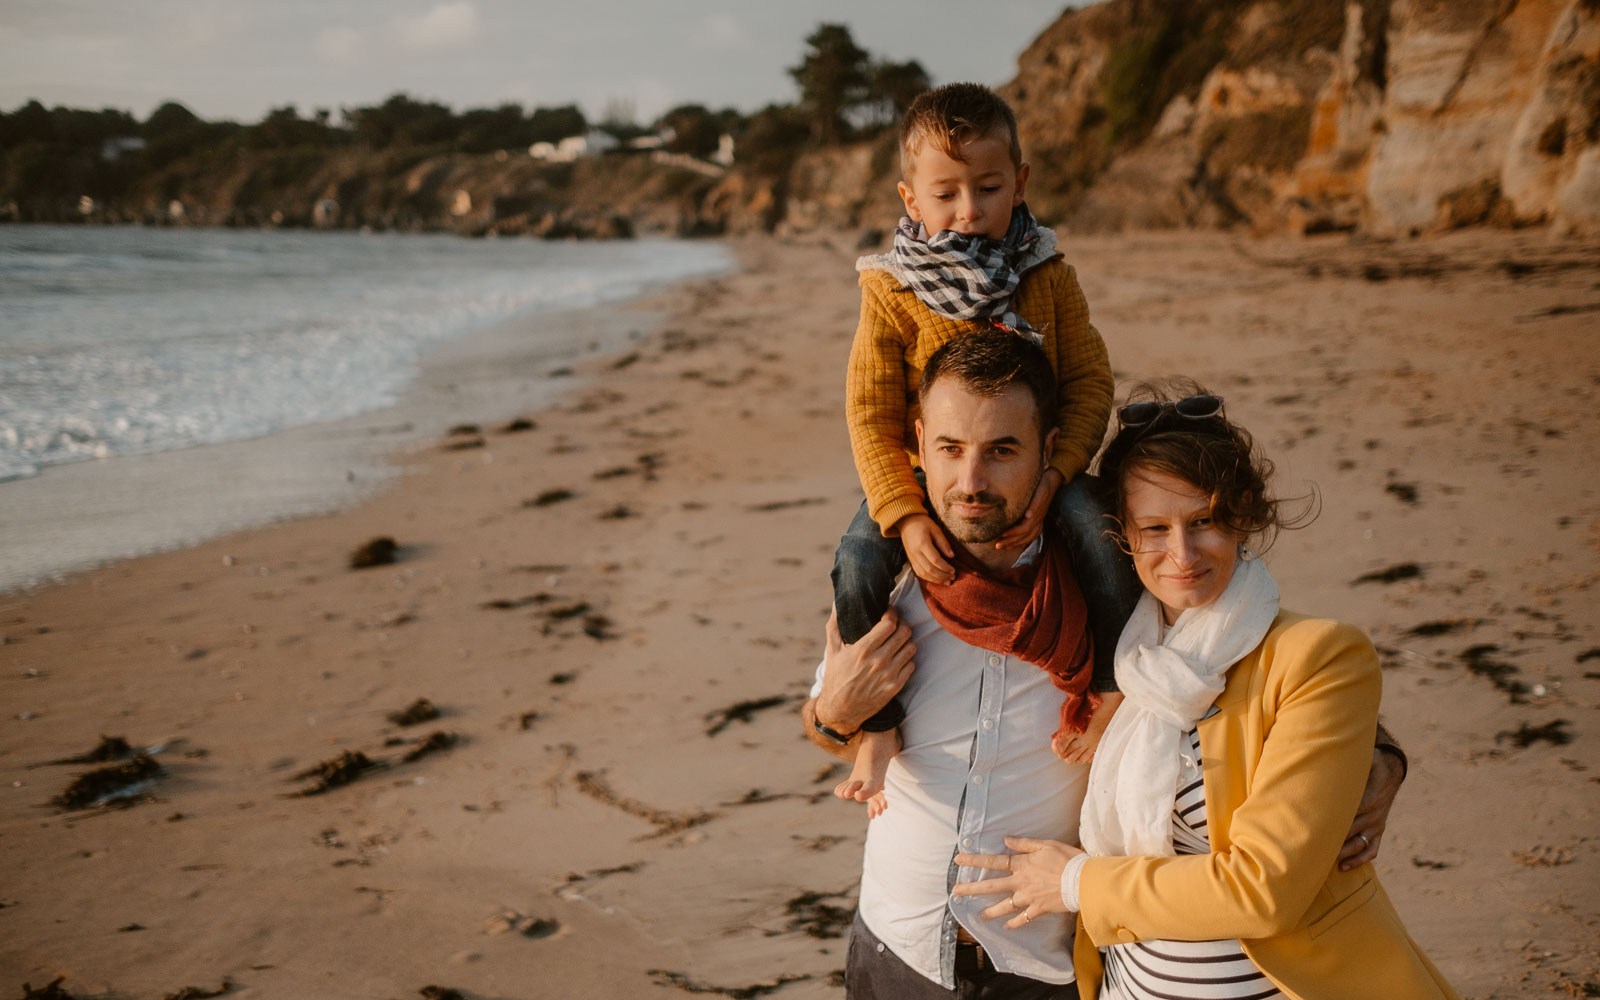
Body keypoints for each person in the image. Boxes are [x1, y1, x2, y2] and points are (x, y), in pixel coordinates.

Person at [803, 335, 1407, 999]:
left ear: (1049, 450)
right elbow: (828, 726)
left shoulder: (1116, 598)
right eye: (949, 449)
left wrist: (1379, 755)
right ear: (920, 445)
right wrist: (833, 713)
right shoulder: (883, 587)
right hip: (897, 948)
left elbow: (1243, 648)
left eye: (1003, 450)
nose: (971, 480)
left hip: (1042, 964)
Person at [951, 382, 1456, 1000]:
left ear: (1243, 519)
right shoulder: (1118, 662)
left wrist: (1077, 883)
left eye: (1204, 522)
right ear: (1122, 537)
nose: (1181, 553)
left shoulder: (1319, 656)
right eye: (1154, 528)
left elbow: (1264, 891)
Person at [829, 82, 1137, 814]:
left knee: (1102, 535)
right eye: (946, 195)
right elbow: (870, 412)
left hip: (1041, 472)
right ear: (911, 200)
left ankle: (1108, 687)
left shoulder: (1048, 275)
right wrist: (903, 514)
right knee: (856, 562)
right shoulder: (892, 290)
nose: (969, 211)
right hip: (919, 482)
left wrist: (1060, 477)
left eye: (988, 188)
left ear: (1020, 183)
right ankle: (876, 724)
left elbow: (1091, 380)